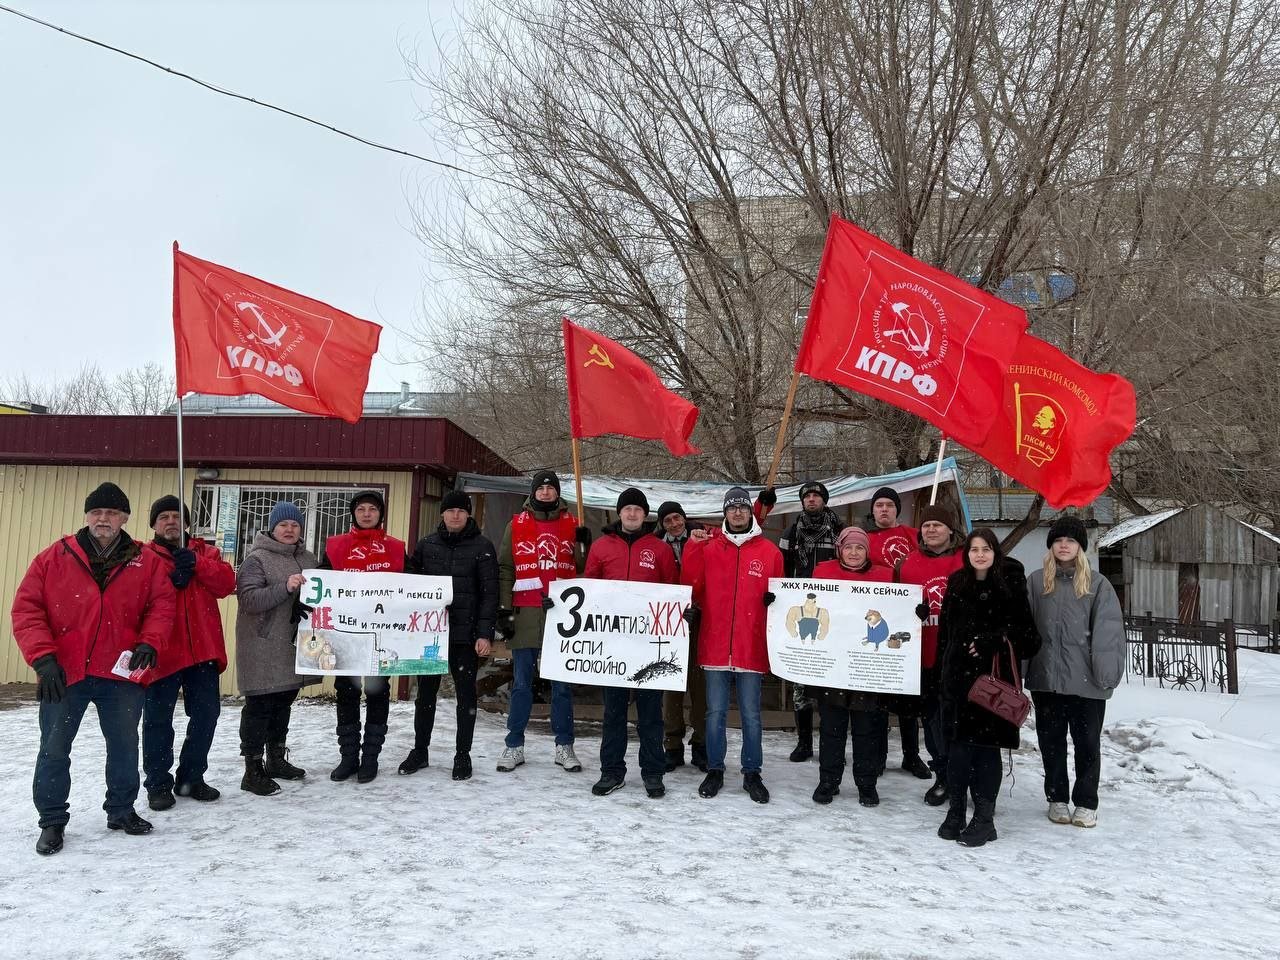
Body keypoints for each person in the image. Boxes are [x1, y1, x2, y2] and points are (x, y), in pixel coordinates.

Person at [12, 482, 176, 855]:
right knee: (54, 748)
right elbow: (27, 609)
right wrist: (43, 658)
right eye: (97, 512)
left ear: (125, 518)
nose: (104, 519)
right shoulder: (54, 557)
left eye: (112, 513)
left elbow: (162, 606)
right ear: (87, 516)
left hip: (121, 673)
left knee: (123, 745)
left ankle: (121, 810)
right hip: (65, 673)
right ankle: (52, 820)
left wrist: (150, 641)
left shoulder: (145, 561)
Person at [935, 529, 1041, 847]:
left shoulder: (1009, 585)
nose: (979, 554)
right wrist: (939, 674)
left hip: (991, 685)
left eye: (986, 549)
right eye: (974, 549)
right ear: (966, 553)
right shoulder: (957, 583)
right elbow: (945, 633)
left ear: (996, 552)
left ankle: (984, 819)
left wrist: (994, 639)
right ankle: (955, 812)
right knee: (956, 751)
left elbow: (1030, 638)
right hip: (956, 683)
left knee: (984, 752)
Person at [680, 487, 783, 803]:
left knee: (752, 714)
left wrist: (774, 601)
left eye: (742, 507)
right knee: (715, 713)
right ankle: (715, 768)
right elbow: (691, 587)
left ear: (750, 512)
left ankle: (752, 771)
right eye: (731, 508)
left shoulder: (770, 552)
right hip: (715, 644)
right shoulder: (709, 548)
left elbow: (781, 600)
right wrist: (692, 549)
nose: (737, 512)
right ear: (724, 512)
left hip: (751, 646)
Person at [1025, 516, 1125, 829]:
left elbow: (1109, 634)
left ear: (1080, 547)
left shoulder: (1098, 585)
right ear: (1051, 546)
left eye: (1070, 540)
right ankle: (1056, 798)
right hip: (1047, 681)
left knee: (1087, 745)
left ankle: (1086, 801)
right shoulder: (1037, 581)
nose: (1064, 545)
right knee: (1051, 743)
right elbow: (1026, 631)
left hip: (1087, 684)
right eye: (1058, 540)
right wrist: (1021, 673)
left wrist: (1106, 675)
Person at [142, 496, 237, 811]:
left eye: (176, 516)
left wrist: (196, 565)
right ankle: (158, 783)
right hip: (162, 651)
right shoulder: (141, 557)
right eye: (164, 516)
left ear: (186, 523)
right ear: (154, 523)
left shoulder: (204, 552)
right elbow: (135, 596)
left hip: (202, 651)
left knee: (206, 715)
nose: (171, 521)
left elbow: (226, 582)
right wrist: (169, 581)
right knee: (158, 720)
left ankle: (191, 776)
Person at [584, 488, 679, 798]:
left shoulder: (660, 549)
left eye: (638, 509)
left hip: (649, 645)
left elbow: (672, 591)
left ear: (645, 514)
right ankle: (611, 771)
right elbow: (589, 591)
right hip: (612, 645)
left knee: (651, 713)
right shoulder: (600, 547)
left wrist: (683, 611)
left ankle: (653, 771)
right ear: (619, 513)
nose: (633, 514)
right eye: (628, 509)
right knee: (613, 712)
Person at [495, 470, 591, 773]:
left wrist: (586, 547)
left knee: (561, 686)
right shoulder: (517, 524)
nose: (546, 492)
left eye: (551, 488)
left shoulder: (573, 524)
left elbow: (585, 572)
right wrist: (504, 609)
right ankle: (514, 745)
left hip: (563, 617)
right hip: (525, 614)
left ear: (558, 493)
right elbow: (506, 567)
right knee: (522, 685)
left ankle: (564, 745)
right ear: (533, 492)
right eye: (541, 487)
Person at [402, 490, 498, 781]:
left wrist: (484, 633)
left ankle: (462, 754)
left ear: (468, 514)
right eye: (450, 510)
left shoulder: (483, 546)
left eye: (461, 510)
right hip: (430, 635)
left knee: (465, 696)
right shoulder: (426, 546)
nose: (455, 515)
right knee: (425, 696)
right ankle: (420, 750)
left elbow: (489, 594)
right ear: (442, 514)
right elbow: (409, 587)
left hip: (465, 636)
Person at [319, 490, 411, 784]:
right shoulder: (336, 546)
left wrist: (436, 599)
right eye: (361, 509)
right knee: (346, 694)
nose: (367, 513)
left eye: (373, 508)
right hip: (344, 636)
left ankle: (370, 757)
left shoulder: (396, 548)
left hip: (380, 639)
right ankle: (348, 757)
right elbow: (321, 581)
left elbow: (414, 586)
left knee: (377, 693)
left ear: (381, 514)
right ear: (354, 513)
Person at [235, 501, 319, 796]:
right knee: (259, 707)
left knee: (284, 702)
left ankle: (276, 759)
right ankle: (252, 769)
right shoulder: (257, 559)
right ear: (272, 528)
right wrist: (285, 586)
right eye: (283, 525)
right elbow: (249, 600)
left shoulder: (309, 558)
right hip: (262, 646)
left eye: (295, 525)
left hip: (292, 646)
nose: (289, 530)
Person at [809, 527, 895, 806]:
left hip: (866, 667)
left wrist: (914, 610)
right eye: (849, 548)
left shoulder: (884, 576)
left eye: (860, 548)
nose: (854, 553)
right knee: (832, 728)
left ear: (867, 551)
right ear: (840, 549)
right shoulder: (822, 574)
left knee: (866, 729)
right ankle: (828, 781)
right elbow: (806, 603)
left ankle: (866, 784)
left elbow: (897, 611)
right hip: (833, 666)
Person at [895, 504, 965, 805]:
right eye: (926, 525)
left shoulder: (967, 559)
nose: (932, 530)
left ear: (951, 529)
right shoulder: (907, 563)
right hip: (923, 657)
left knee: (960, 723)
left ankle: (964, 775)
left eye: (938, 524)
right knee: (933, 722)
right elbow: (894, 608)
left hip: (960, 658)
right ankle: (944, 774)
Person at [865, 485, 931, 781]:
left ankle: (911, 755)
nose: (884, 510)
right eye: (879, 505)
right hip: (880, 620)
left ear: (896, 510)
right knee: (879, 695)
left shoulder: (913, 535)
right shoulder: (864, 540)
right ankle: (877, 755)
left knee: (908, 696)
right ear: (873, 510)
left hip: (910, 620)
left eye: (889, 506)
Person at [778, 480, 846, 763]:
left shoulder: (840, 530)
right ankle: (804, 742)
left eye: (816, 495)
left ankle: (832, 746)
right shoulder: (791, 532)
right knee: (801, 684)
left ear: (824, 500)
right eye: (807, 496)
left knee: (832, 684)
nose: (811, 499)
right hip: (802, 612)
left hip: (833, 614)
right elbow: (779, 568)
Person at [656, 500, 710, 772]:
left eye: (677, 518)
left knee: (700, 686)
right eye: (668, 521)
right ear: (662, 524)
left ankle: (701, 743)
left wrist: (700, 607)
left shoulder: (704, 539)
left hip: (700, 618)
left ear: (684, 518)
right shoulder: (657, 546)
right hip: (667, 622)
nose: (674, 524)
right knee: (671, 685)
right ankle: (672, 744)